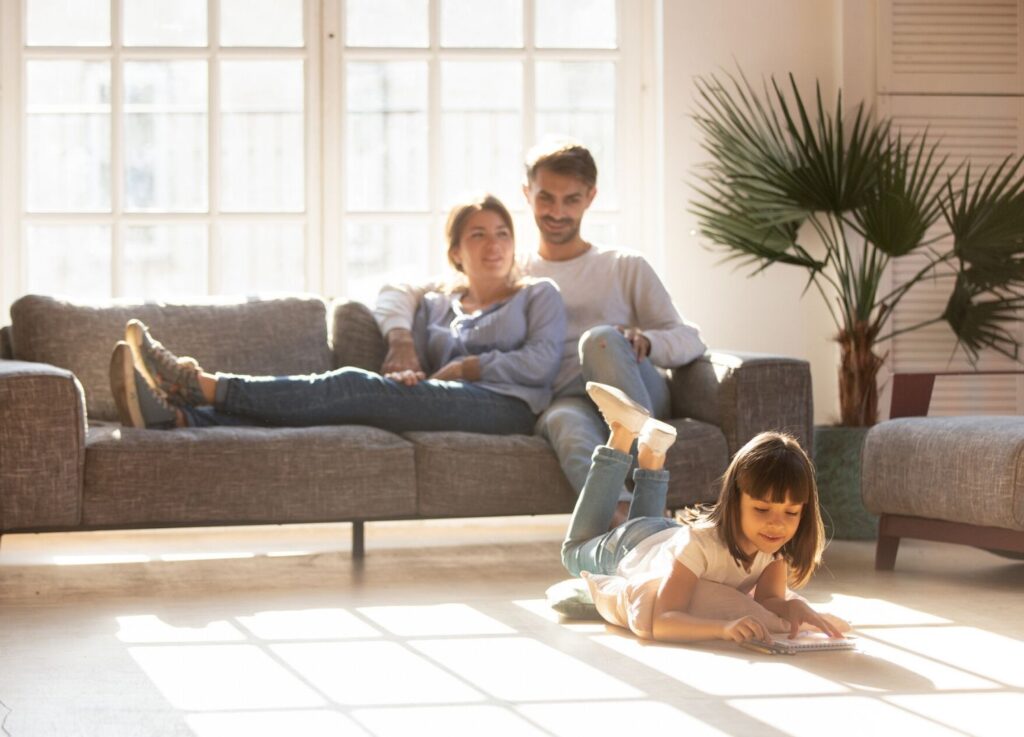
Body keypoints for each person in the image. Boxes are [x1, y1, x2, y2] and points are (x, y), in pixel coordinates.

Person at [375, 140, 706, 517]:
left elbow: (689, 338)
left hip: (630, 385)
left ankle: (651, 474)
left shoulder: (623, 266)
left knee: (599, 339)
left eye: (571, 200)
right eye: (546, 198)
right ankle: (630, 522)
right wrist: (400, 337)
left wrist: (645, 340)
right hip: (568, 397)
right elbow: (402, 289)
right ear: (527, 194)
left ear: (591, 197)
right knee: (563, 421)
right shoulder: (514, 270)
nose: (557, 212)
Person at [109, 194, 567, 435]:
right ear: (455, 252)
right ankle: (182, 420)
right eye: (479, 235)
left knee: (352, 384)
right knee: (339, 407)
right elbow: (399, 305)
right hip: (446, 399)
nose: (494, 245)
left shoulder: (538, 294)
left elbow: (541, 363)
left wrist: (471, 366)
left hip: (507, 407)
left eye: (503, 233)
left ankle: (200, 387)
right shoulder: (434, 305)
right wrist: (409, 363)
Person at [564, 381, 848, 643]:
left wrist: (790, 605)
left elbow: (768, 600)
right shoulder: (701, 546)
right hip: (630, 546)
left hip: (663, 535)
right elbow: (663, 622)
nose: (777, 524)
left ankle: (652, 455)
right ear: (734, 500)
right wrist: (722, 628)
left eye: (791, 513)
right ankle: (622, 434)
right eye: (762, 508)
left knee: (648, 527)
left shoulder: (773, 548)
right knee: (573, 553)